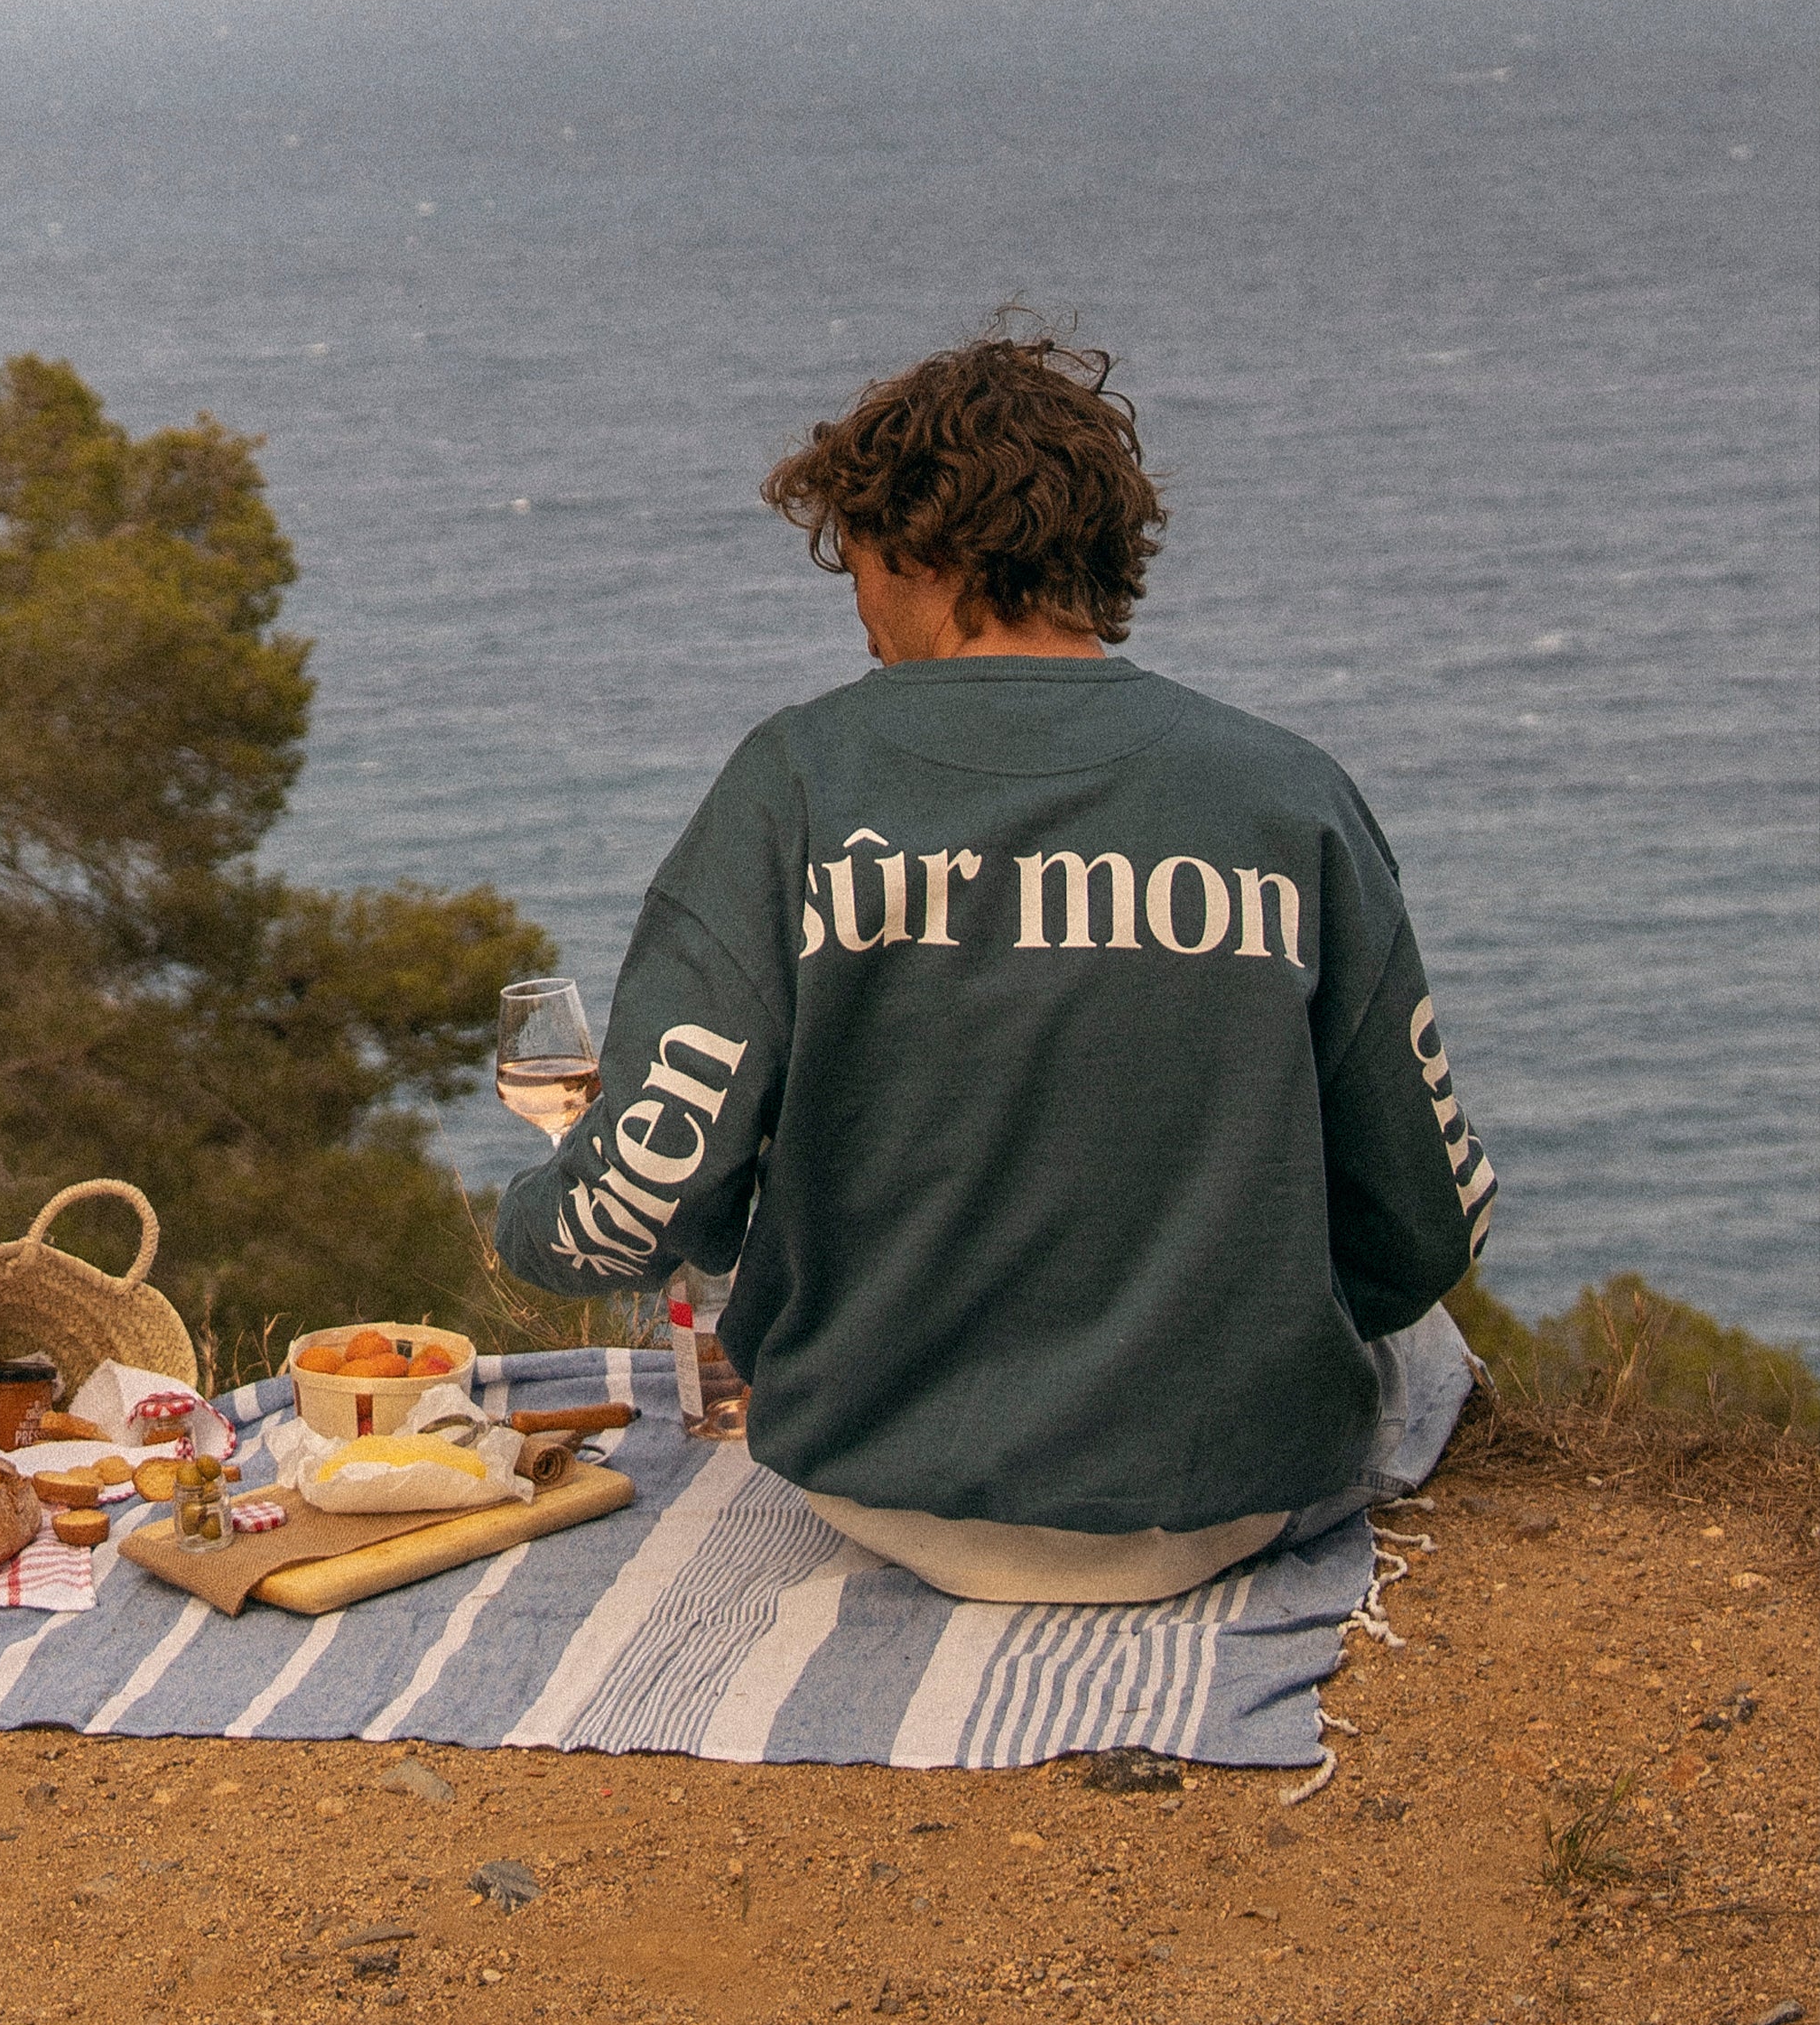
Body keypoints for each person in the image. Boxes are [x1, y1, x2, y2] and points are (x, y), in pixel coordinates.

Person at [495, 330, 1493, 1602]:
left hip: (881, 1484)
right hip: (1232, 1492)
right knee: (1437, 1353)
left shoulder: (795, 785)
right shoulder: (1286, 797)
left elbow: (638, 1204)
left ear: (914, 547)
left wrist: (525, 1218)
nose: (857, 613)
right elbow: (1426, 1221)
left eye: (854, 562)